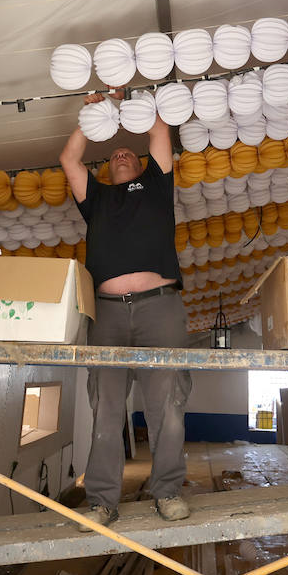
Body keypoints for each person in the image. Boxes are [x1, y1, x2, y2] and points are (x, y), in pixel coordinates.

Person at [60, 90, 191, 530]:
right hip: (109, 313)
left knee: (168, 403)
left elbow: (158, 130)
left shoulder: (156, 186)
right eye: (112, 154)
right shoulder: (96, 198)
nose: (120, 154)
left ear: (139, 167)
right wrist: (96, 113)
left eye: (127, 154)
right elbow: (70, 159)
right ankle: (101, 502)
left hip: (161, 308)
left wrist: (130, 99)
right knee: (106, 406)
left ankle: (168, 490)